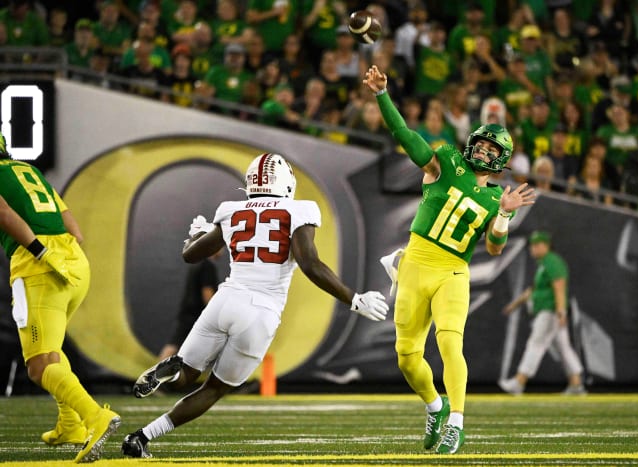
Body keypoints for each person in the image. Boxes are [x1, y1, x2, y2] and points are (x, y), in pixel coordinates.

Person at [122, 153, 388, 458]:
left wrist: (195, 234)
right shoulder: (299, 210)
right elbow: (310, 264)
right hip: (261, 310)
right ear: (286, 182)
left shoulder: (231, 211)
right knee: (214, 389)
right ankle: (143, 437)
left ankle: (151, 409)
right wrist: (353, 299)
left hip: (225, 300)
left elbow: (190, 255)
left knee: (185, 376)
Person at [364, 65, 536, 454]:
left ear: (502, 160)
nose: (485, 151)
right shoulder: (445, 162)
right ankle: (435, 406)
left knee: (449, 344)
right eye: (483, 144)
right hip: (414, 266)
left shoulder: (496, 198)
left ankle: (456, 422)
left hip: (453, 272)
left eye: (494, 150)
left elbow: (494, 248)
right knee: (407, 358)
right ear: (473, 142)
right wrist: (381, 96)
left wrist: (505, 215)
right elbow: (406, 137)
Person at [0, 132, 120, 463]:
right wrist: (64, 250)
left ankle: (96, 417)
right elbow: (71, 222)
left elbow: (3, 212)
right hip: (73, 259)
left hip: (39, 263)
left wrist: (37, 251)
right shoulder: (28, 171)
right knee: (52, 351)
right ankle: (70, 425)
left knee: (38, 366)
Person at [499, 230, 586, 396]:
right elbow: (533, 290)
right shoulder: (544, 263)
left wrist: (560, 310)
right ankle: (576, 384)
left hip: (550, 311)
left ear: (547, 246)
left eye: (537, 245)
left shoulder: (551, 261)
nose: (533, 248)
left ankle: (519, 381)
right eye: (532, 245)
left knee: (536, 344)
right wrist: (514, 305)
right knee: (564, 348)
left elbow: (559, 285)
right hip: (550, 311)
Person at [158, 247, 223, 360]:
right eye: (221, 247)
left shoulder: (197, 263)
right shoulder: (208, 266)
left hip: (189, 312)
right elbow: (207, 292)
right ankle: (154, 376)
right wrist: (215, 314)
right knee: (174, 346)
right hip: (195, 314)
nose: (222, 251)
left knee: (176, 345)